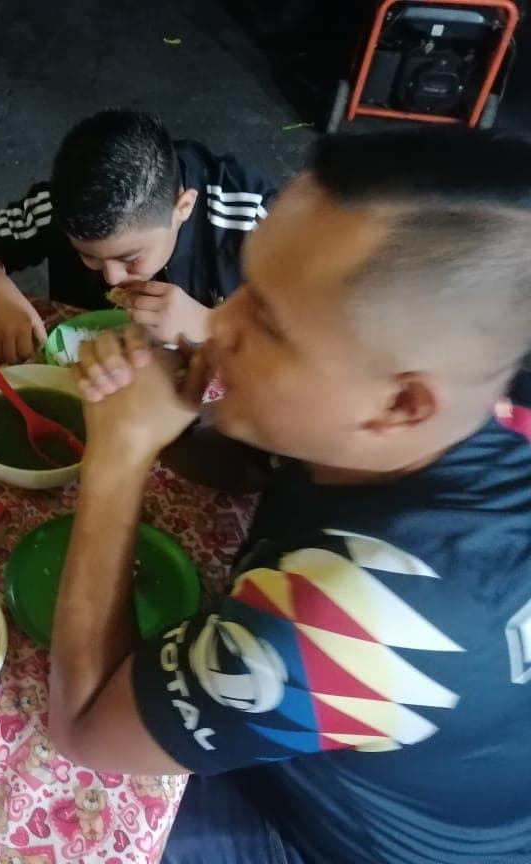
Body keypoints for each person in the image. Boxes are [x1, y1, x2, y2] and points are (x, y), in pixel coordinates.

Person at [50, 128, 531, 864]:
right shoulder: (479, 416)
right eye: (246, 285)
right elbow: (257, 472)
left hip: (325, 837)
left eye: (270, 322)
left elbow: (84, 727)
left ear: (401, 405)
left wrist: (118, 461)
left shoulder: (370, 615)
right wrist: (164, 417)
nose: (222, 324)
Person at [0, 109, 276, 363]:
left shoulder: (253, 220)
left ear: (184, 207)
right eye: (88, 256)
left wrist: (212, 326)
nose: (111, 277)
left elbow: (310, 350)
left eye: (130, 258)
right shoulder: (66, 204)